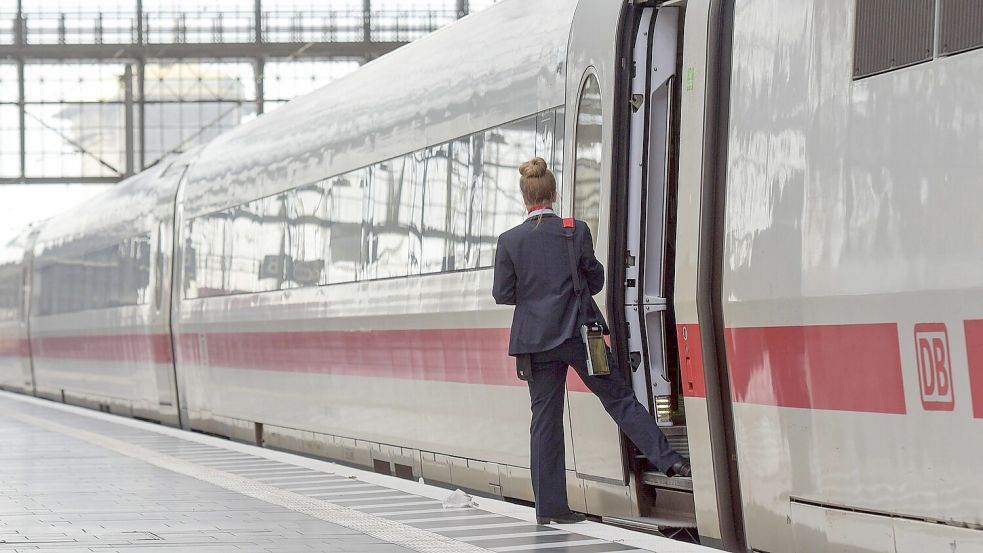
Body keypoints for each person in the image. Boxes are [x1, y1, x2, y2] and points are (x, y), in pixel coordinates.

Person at [492, 157, 690, 525]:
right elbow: (595, 280)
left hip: (536, 343)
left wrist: (535, 293)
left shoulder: (509, 241)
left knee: (545, 420)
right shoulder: (575, 231)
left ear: (525, 198)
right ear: (553, 194)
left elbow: (503, 293)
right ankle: (669, 461)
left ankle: (551, 508)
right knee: (618, 398)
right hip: (585, 335)